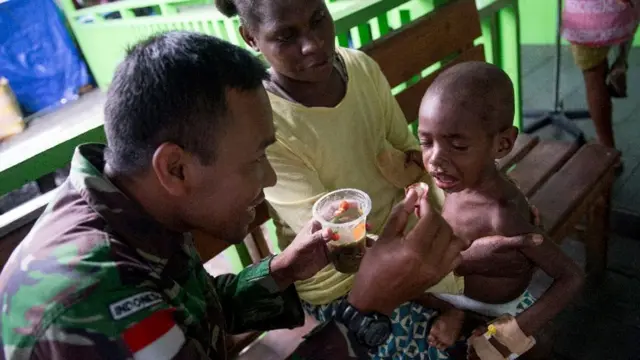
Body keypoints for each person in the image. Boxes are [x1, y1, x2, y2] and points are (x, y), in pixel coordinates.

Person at [0, 32, 471, 360]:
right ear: (176, 167)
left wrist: (286, 269)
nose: (267, 179)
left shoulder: (135, 205)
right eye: (255, 160)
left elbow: (196, 310)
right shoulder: (93, 303)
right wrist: (365, 308)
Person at [215, 0, 546, 358]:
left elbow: (415, 160)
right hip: (343, 278)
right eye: (285, 35)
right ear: (250, 37)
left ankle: (462, 308)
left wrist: (479, 205)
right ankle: (460, 309)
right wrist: (457, 260)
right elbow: (340, 243)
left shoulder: (359, 68)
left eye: (318, 20)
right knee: (484, 344)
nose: (313, 44)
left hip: (410, 234)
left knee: (521, 324)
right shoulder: (267, 123)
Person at [414, 62, 585, 359]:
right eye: (426, 142)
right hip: (452, 289)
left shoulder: (500, 213)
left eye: (458, 146)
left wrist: (512, 333)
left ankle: (466, 317)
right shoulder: (456, 181)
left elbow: (571, 277)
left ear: (503, 143)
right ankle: (454, 313)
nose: (435, 160)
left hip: (493, 308)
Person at [562, 0, 639, 156]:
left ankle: (607, 149)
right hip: (626, 11)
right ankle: (621, 62)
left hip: (588, 19)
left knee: (593, 77)